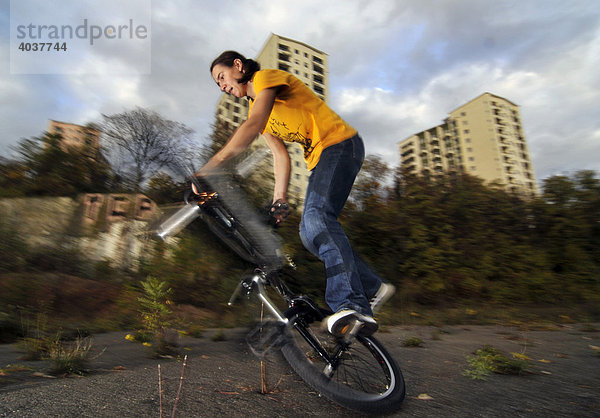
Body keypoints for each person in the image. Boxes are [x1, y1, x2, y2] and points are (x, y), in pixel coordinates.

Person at [195, 50, 394, 337]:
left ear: (238, 66)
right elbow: (280, 156)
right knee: (310, 233)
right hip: (322, 159)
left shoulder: (265, 78)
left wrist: (208, 171)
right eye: (218, 84)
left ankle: (353, 304)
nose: (223, 86)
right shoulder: (256, 112)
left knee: (317, 219)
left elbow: (251, 128)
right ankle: (373, 287)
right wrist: (280, 199)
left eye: (222, 77)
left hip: (339, 144)